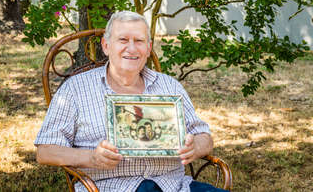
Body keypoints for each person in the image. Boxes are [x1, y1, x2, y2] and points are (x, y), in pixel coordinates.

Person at [35, 11, 227, 192]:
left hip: (175, 186)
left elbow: (204, 137)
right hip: (112, 186)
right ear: (106, 46)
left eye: (139, 41)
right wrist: (92, 158)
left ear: (148, 48)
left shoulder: (169, 86)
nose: (132, 48)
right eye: (123, 40)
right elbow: (45, 151)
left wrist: (195, 148)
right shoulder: (76, 89)